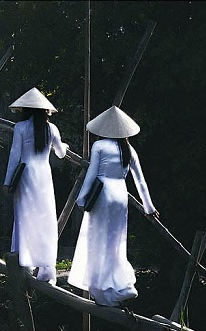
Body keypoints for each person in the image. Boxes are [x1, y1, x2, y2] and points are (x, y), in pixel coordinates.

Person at [67, 105, 159, 307]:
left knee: (98, 239)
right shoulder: (129, 150)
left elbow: (92, 174)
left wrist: (81, 199)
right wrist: (149, 207)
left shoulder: (100, 147)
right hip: (120, 194)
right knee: (116, 240)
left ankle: (102, 290)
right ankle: (121, 285)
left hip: (103, 194)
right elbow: (140, 181)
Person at [3, 87, 69, 285]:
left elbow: (15, 156)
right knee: (45, 217)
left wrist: (7, 182)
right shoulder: (52, 129)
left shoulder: (20, 128)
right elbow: (60, 154)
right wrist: (64, 146)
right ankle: (46, 268)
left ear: (26, 110)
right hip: (43, 175)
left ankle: (26, 261)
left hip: (25, 175)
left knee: (25, 216)